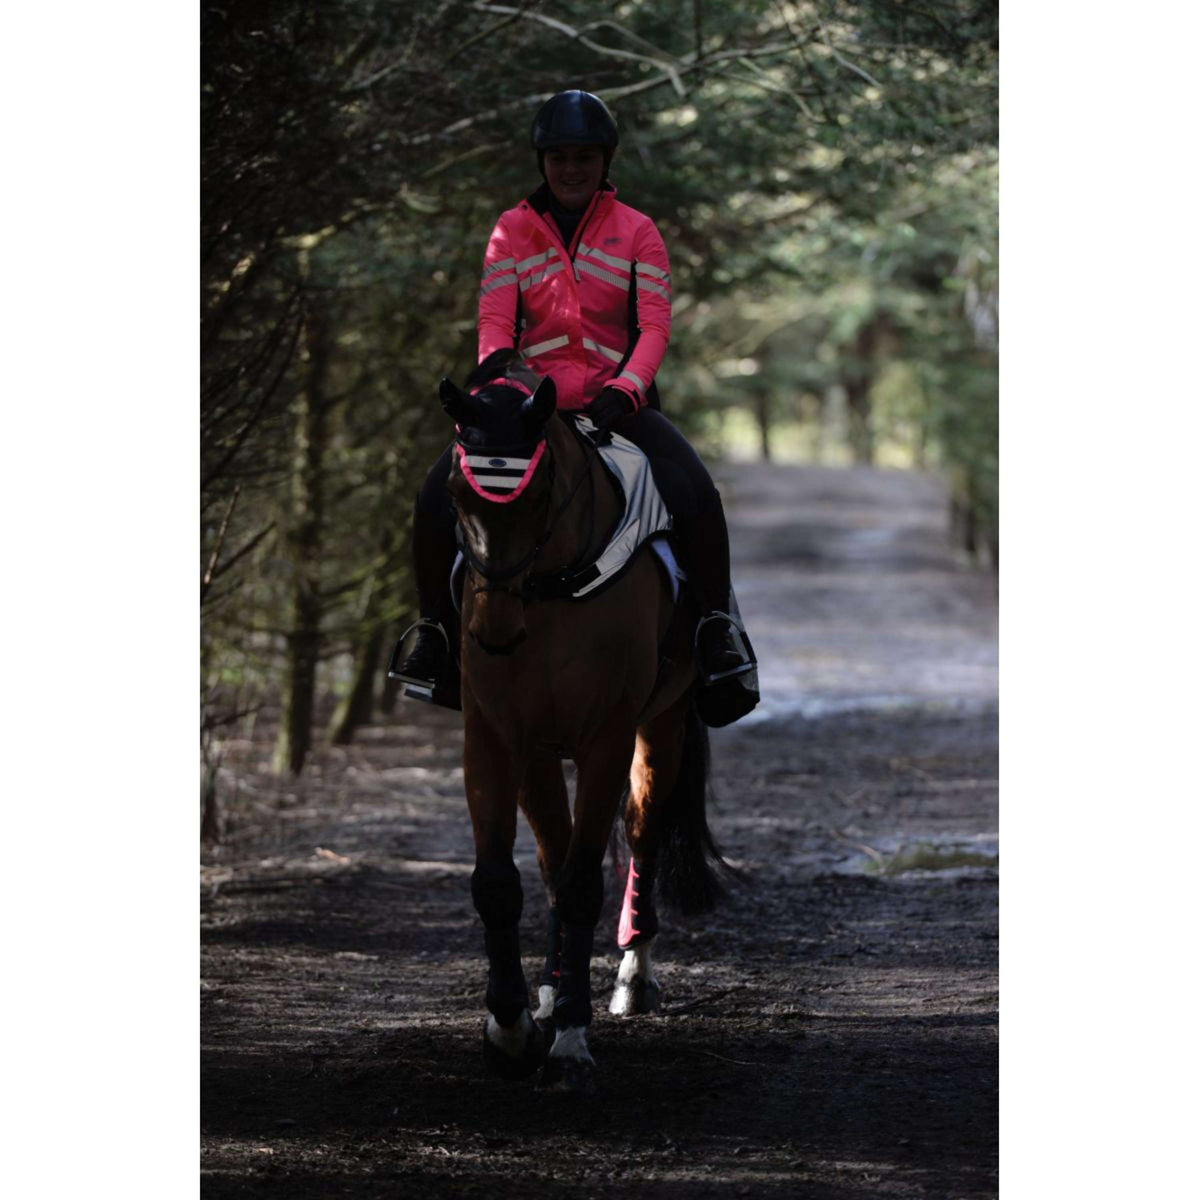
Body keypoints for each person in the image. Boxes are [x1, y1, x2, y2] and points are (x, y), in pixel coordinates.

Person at [393, 89, 757, 726]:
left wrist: (627, 388)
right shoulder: (511, 230)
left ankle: (715, 630)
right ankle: (436, 635)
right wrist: (498, 392)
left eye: (584, 156)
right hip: (529, 406)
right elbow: (495, 323)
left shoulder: (638, 231)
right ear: (543, 161)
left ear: (604, 160)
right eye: (559, 156)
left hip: (618, 403)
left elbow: (654, 326)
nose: (571, 168)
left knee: (696, 489)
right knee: (433, 493)